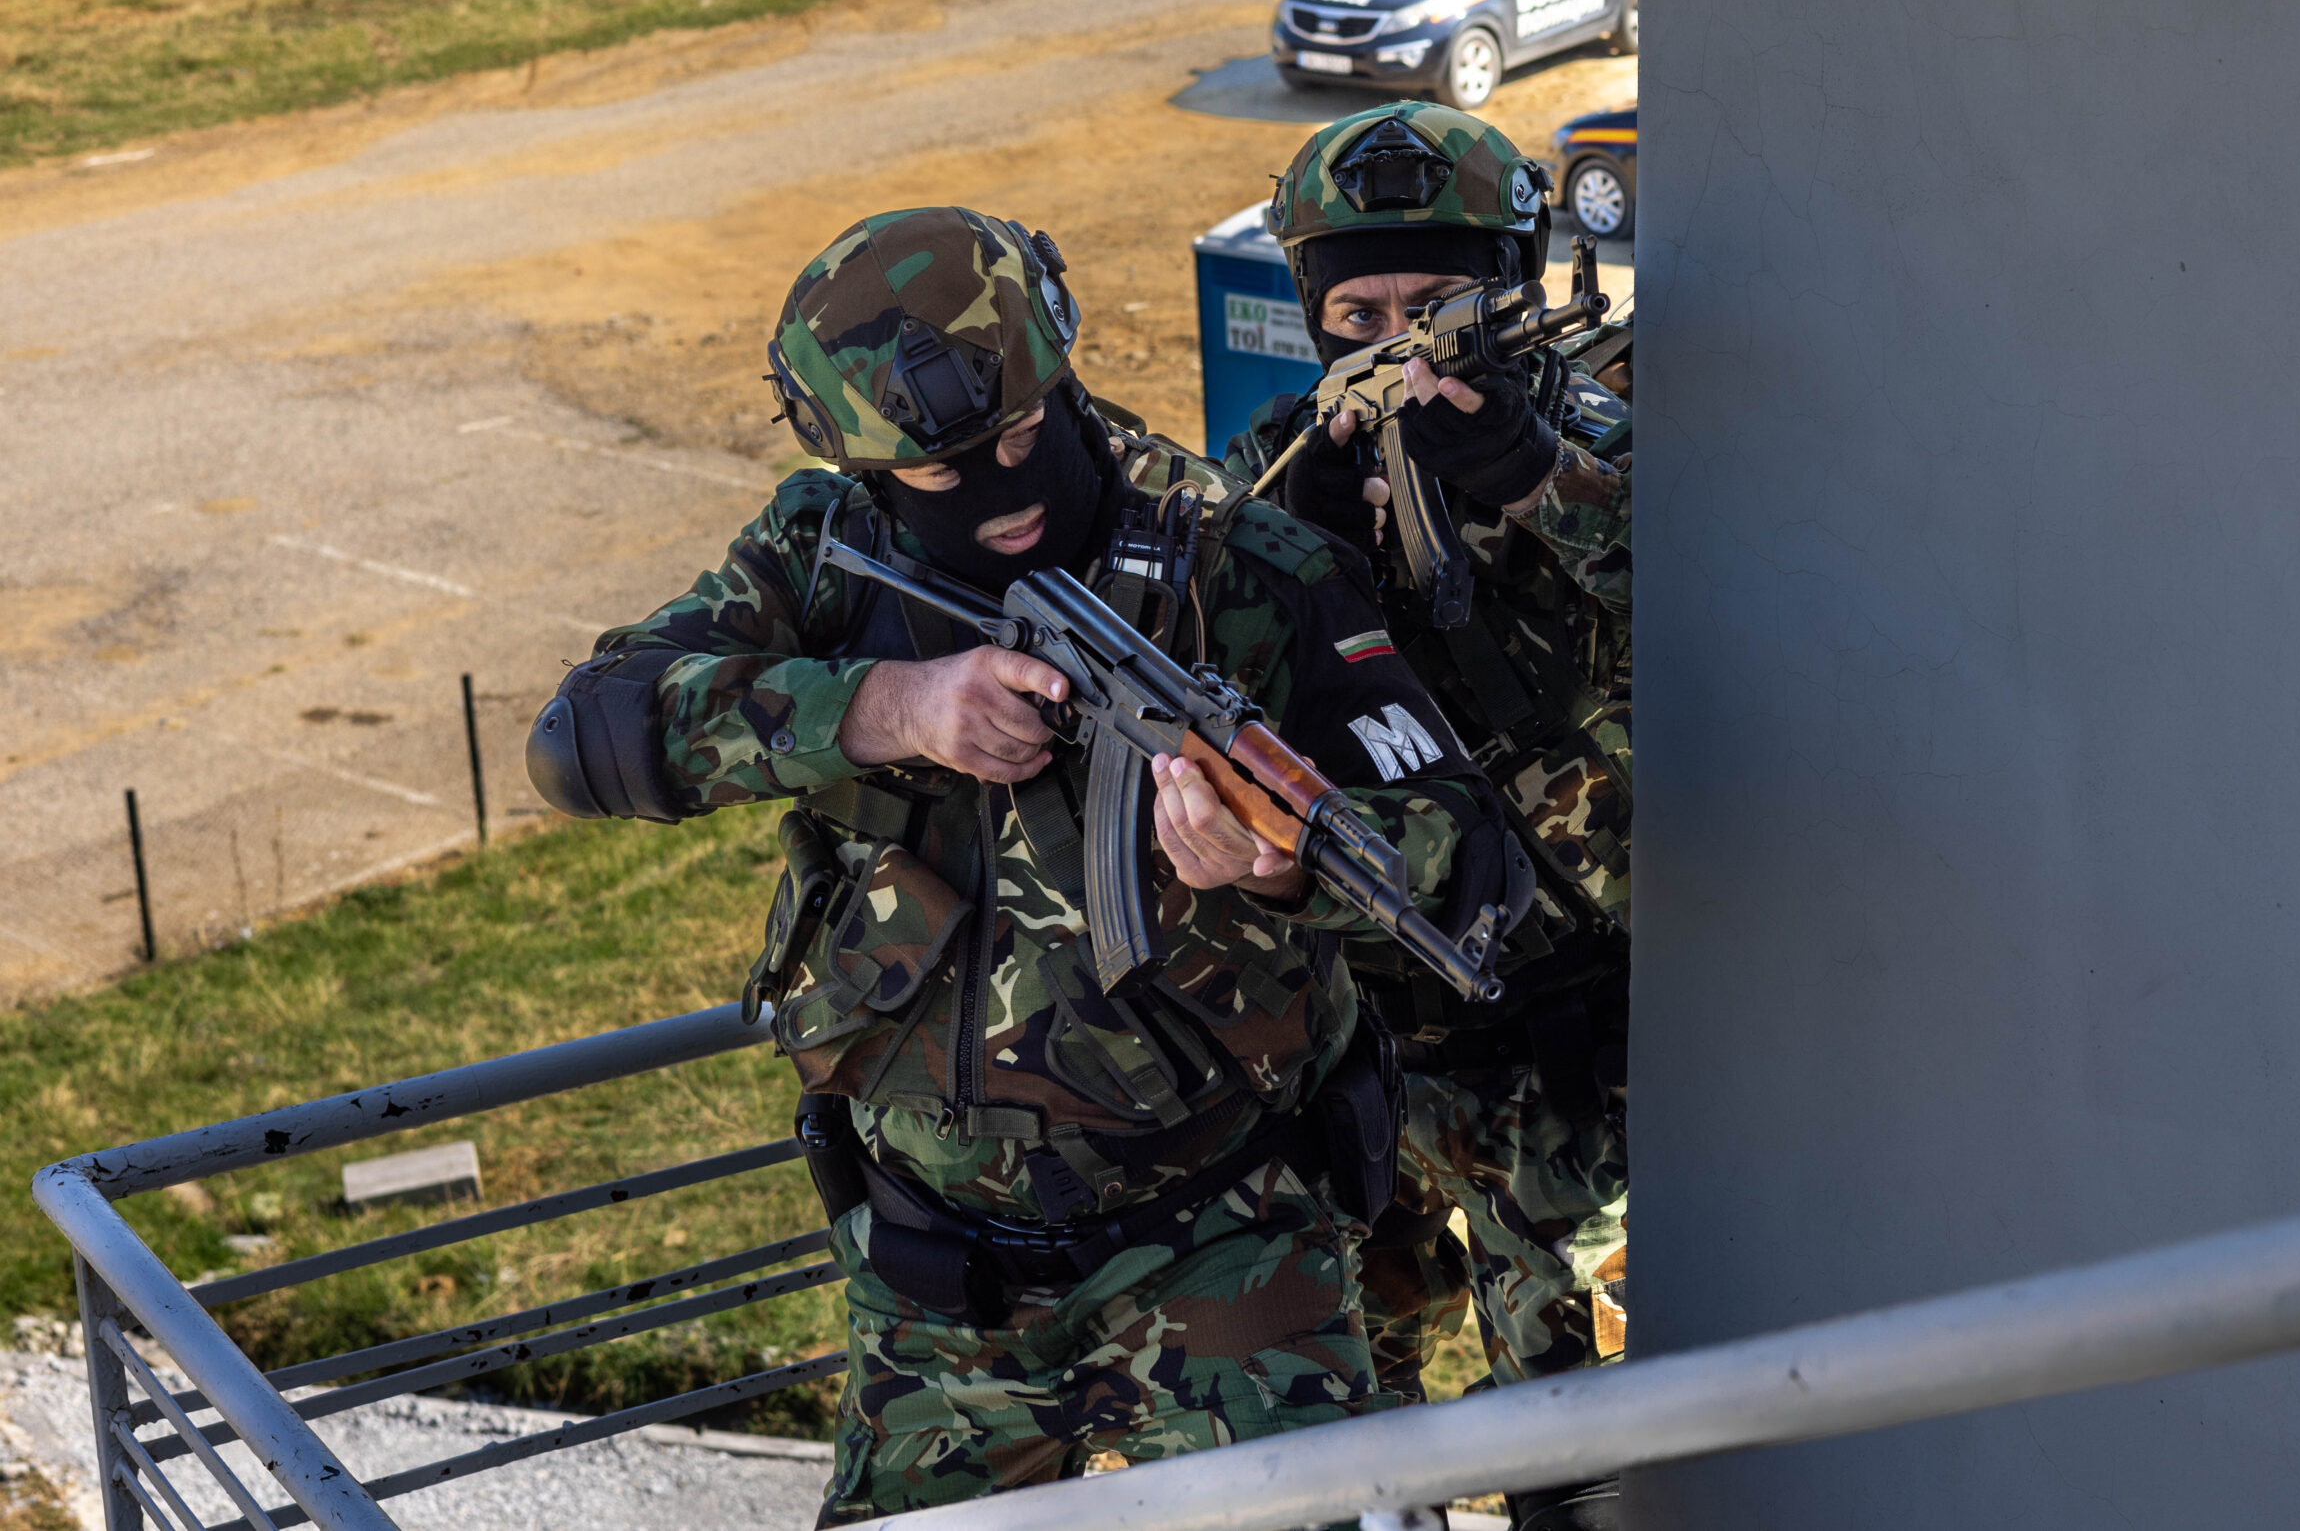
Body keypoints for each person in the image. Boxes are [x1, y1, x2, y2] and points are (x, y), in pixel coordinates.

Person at [525, 207, 1510, 1525]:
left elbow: (1467, 856)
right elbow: (584, 738)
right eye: (937, 477)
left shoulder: (1247, 570)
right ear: (861, 463)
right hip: (939, 1271)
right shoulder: (822, 552)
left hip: (1226, 1238)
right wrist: (886, 708)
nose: (996, 495)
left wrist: (1278, 870)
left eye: (1014, 440)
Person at [1225, 104, 1634, 1531]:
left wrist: (1534, 481)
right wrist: (1299, 556)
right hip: (1372, 1031)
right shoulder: (1282, 466)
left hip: (1577, 1037)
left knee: (1579, 1441)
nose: (1395, 341)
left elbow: (1721, 615)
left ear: (1508, 291)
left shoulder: (1599, 429)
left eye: (1436, 304)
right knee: (1349, 1414)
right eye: (1359, 310)